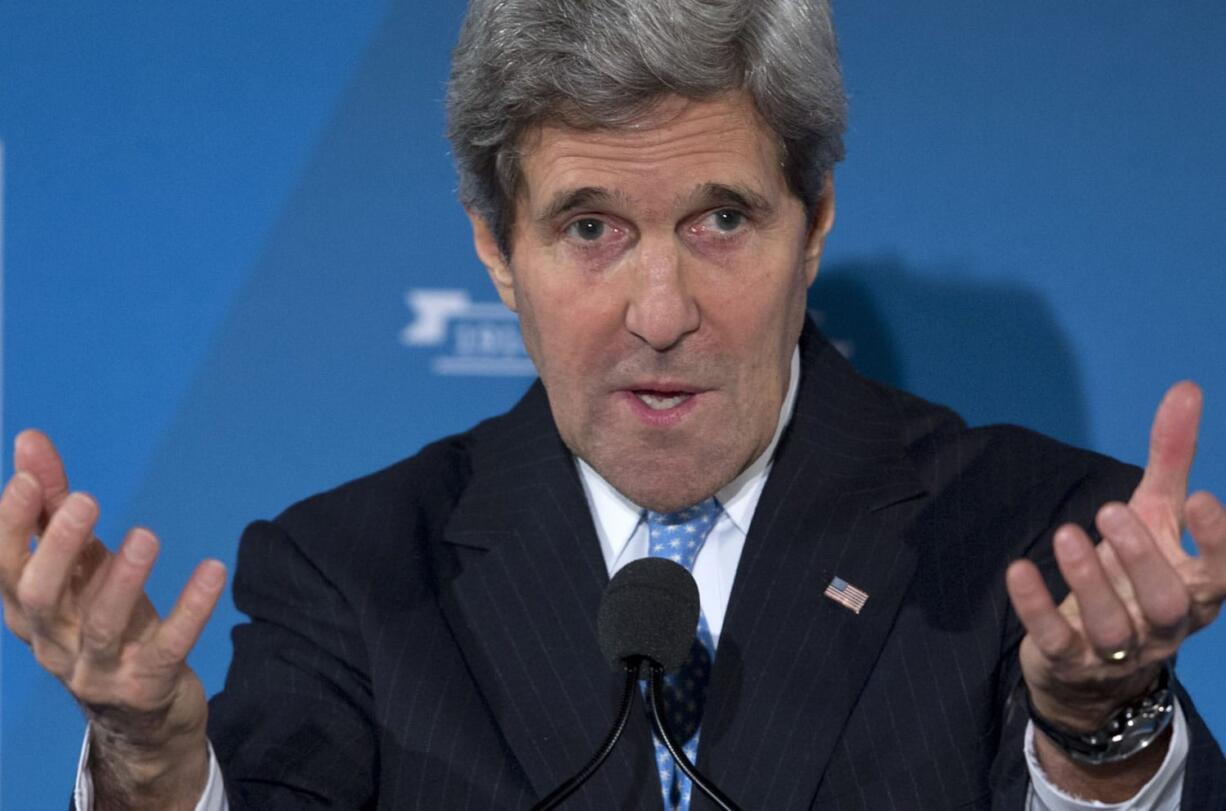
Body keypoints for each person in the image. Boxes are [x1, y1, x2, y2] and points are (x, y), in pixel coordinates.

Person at [2, 0, 1224, 808]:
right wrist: (151, 765)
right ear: (493, 247)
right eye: (590, 227)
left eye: (720, 219)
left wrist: (1095, 739)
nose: (657, 310)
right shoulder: (352, 572)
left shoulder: (1035, 535)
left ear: (816, 221)